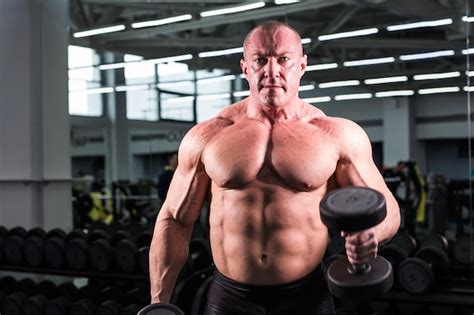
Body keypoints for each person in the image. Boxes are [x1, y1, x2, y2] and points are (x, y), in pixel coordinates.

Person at [148, 21, 400, 314]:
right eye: (260, 60)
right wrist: (158, 302)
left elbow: (388, 209)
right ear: (245, 68)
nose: (272, 71)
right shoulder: (208, 137)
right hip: (231, 297)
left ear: (302, 65)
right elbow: (175, 220)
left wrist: (373, 235)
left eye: (283, 59)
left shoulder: (336, 135)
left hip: (307, 296)